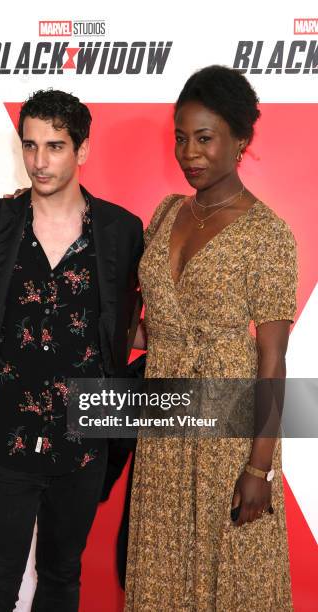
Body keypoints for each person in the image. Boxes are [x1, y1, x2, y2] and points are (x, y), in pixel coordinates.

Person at [0, 89, 143, 612]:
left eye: (55, 146)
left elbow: (129, 326)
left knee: (61, 579)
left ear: (82, 150)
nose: (39, 161)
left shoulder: (121, 231)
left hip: (82, 439)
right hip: (3, 431)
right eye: (30, 145)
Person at [125, 66, 296, 611]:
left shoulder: (269, 234)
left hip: (228, 430)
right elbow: (144, 324)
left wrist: (259, 467)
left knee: (231, 579)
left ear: (240, 141)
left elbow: (273, 360)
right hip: (163, 425)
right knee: (161, 570)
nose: (189, 153)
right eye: (181, 138)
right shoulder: (166, 213)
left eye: (204, 138)